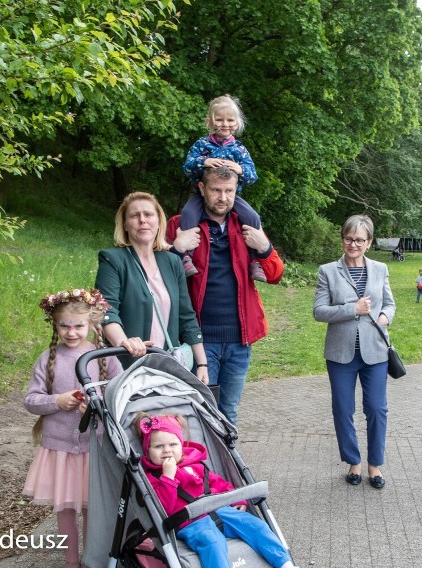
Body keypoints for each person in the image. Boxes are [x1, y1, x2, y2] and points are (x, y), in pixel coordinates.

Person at [167, 166, 284, 425]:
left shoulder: (246, 226)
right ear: (202, 189)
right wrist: (177, 250)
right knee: (199, 412)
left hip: (239, 340)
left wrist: (263, 247)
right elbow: (160, 277)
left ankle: (228, 466)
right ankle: (202, 465)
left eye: (229, 191)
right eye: (216, 190)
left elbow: (275, 275)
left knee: (229, 412)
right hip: (198, 339)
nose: (223, 198)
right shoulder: (181, 225)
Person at [23, 288, 124, 568]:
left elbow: (120, 396)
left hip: (95, 448)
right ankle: (71, 562)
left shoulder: (105, 357)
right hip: (60, 450)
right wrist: (57, 401)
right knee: (66, 508)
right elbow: (31, 400)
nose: (71, 332)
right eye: (64, 326)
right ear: (55, 325)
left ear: (91, 324)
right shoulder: (47, 359)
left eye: (78, 325)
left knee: (94, 507)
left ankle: (93, 560)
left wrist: (97, 406)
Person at [135, 413, 298, 568]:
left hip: (221, 511)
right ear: (147, 451)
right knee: (212, 542)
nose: (167, 450)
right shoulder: (154, 478)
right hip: (191, 523)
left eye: (173, 444)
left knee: (255, 525)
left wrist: (237, 499)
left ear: (181, 446)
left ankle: (283, 562)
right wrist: (168, 478)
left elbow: (220, 485)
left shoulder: (197, 466)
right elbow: (164, 508)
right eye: (158, 446)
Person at [313, 215, 395, 489]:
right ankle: (354, 462)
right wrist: (352, 310)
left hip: (375, 351)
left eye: (360, 240)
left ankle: (375, 464)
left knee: (376, 408)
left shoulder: (381, 269)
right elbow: (319, 311)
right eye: (349, 239)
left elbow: (390, 303)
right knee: (343, 409)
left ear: (369, 243)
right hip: (340, 353)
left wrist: (384, 317)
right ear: (342, 239)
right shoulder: (328, 271)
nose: (353, 244)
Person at [94, 191, 209, 382]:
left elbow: (186, 316)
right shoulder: (113, 259)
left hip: (166, 365)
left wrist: (202, 363)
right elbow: (106, 310)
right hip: (128, 364)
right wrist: (124, 342)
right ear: (125, 224)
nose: (142, 220)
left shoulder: (172, 261)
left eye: (148, 214)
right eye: (134, 215)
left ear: (158, 221)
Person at [180, 94, 265, 282]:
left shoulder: (239, 149)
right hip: (203, 196)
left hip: (232, 197)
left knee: (252, 217)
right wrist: (204, 161)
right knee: (187, 214)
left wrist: (241, 170)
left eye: (229, 120)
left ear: (236, 123)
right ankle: (187, 256)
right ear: (209, 121)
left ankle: (254, 260)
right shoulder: (202, 144)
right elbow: (186, 167)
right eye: (219, 119)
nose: (224, 124)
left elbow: (253, 176)